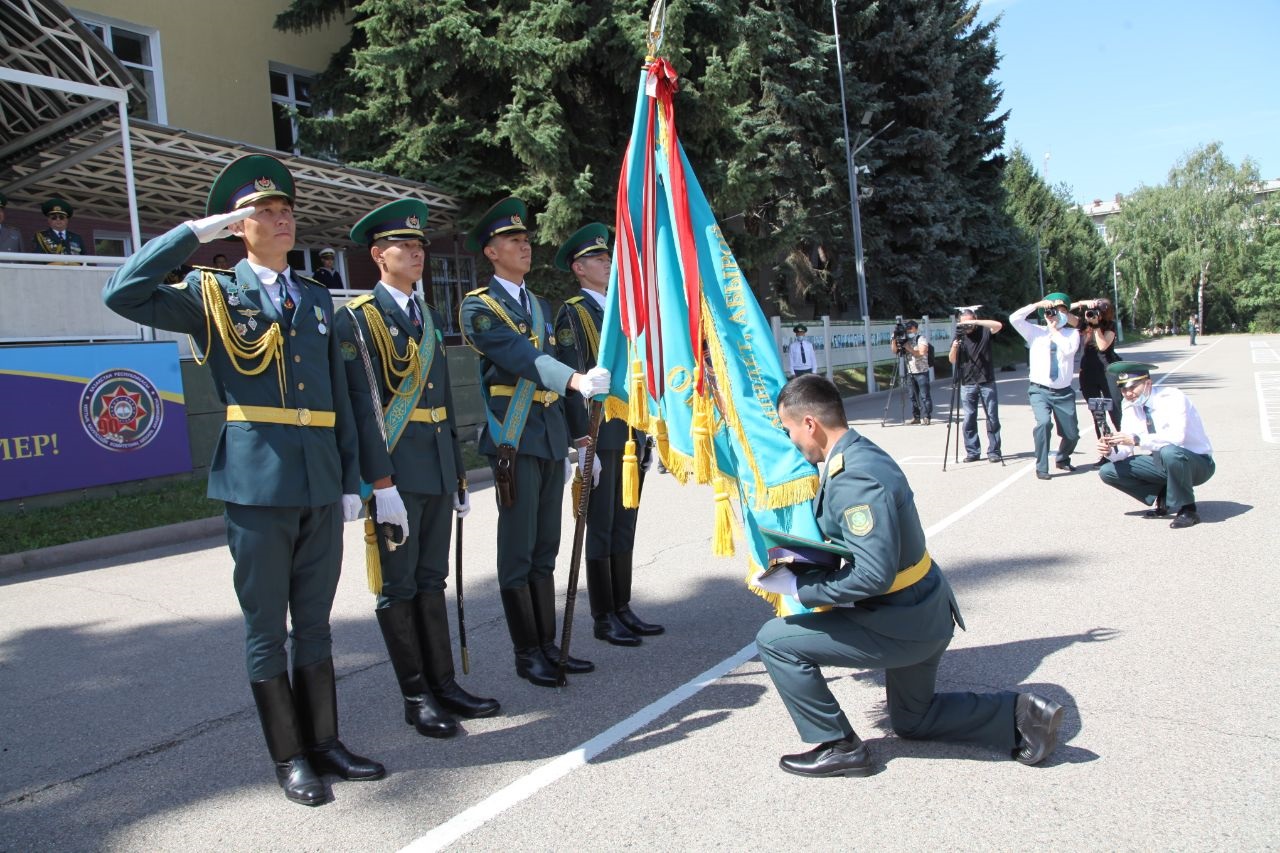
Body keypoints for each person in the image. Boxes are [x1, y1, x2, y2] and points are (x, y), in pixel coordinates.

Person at [102, 154, 383, 806]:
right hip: (256, 484)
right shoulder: (213, 295)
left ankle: (326, 743)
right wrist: (193, 233)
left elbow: (341, 398)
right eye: (266, 212)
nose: (282, 220)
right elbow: (122, 292)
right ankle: (290, 758)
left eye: (287, 211)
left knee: (315, 623)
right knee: (268, 627)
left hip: (318, 482)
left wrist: (352, 480)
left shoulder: (316, 298)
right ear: (239, 225)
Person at [752, 374, 1064, 777]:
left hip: (901, 620)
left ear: (809, 423)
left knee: (775, 641)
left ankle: (839, 745)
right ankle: (1021, 715)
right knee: (913, 721)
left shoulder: (853, 478)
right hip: (922, 609)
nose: (791, 440)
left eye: (790, 429)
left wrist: (798, 585)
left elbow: (874, 576)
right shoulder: (859, 451)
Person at [336, 199, 499, 740]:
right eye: (404, 245)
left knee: (433, 579)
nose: (417, 252)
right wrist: (377, 484)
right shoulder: (358, 318)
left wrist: (456, 472)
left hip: (433, 466)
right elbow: (362, 407)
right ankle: (416, 696)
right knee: (398, 586)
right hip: (396, 477)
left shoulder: (424, 314)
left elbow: (445, 401)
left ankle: (444, 683)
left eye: (421, 244)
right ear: (379, 255)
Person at [459, 197, 611, 687]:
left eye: (526, 240)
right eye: (512, 241)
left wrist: (582, 438)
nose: (524, 247)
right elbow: (521, 357)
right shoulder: (479, 307)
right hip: (514, 441)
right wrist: (576, 380)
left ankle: (550, 645)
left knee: (546, 546)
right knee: (518, 552)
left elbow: (554, 381)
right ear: (491, 252)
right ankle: (528, 653)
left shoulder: (541, 305)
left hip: (546, 438)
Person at [553, 223, 663, 647]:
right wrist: (582, 441)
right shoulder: (574, 312)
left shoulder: (625, 312)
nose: (609, 263)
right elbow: (572, 379)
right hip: (599, 434)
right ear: (580, 269)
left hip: (630, 433)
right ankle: (603, 616)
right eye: (599, 259)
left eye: (608, 257)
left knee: (624, 523)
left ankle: (622, 606)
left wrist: (647, 433)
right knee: (600, 525)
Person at [1097, 361, 1214, 529]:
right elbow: (1125, 448)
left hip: (1197, 463)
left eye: (1132, 387)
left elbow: (1176, 439)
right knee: (1108, 471)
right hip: (1162, 461)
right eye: (1123, 389)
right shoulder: (1129, 405)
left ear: (1148, 383)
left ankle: (1188, 509)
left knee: (1170, 452)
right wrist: (1109, 450)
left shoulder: (1172, 397)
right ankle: (1163, 493)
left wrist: (1137, 440)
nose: (1128, 394)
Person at [1010, 293, 1080, 480]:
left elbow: (1068, 350)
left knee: (1072, 434)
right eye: (1052, 311)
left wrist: (1055, 331)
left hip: (1063, 392)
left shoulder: (1072, 334)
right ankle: (1042, 467)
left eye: (1060, 311)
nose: (1055, 315)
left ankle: (1063, 458)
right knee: (1043, 424)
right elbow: (1014, 318)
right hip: (1039, 389)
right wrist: (1036, 304)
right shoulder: (1035, 331)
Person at [947, 307, 1003, 463]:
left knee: (992, 417)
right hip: (967, 382)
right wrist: (954, 347)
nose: (967, 326)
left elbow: (998, 325)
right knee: (969, 418)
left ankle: (994, 451)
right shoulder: (959, 337)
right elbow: (952, 359)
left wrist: (976, 322)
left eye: (969, 323)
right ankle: (972, 451)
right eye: (964, 323)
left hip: (986, 380)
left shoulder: (984, 331)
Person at [1072, 297, 1123, 458]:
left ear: (1104, 314)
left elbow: (1102, 346)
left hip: (1108, 372)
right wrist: (1083, 303)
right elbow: (1064, 314)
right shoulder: (1084, 324)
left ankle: (1125, 449)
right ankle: (1106, 454)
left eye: (1098, 312)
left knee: (1115, 411)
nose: (1094, 315)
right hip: (1088, 373)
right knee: (1098, 415)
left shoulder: (1110, 326)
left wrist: (1096, 326)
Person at [891, 320, 933, 424]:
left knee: (924, 396)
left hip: (921, 371)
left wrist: (909, 348)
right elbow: (895, 351)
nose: (908, 330)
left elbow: (922, 353)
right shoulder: (905, 339)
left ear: (915, 328)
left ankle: (927, 416)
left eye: (910, 328)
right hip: (910, 372)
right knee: (912, 396)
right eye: (907, 328)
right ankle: (916, 417)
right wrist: (894, 339)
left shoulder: (921, 338)